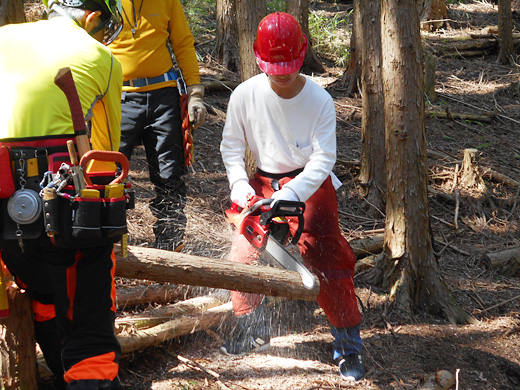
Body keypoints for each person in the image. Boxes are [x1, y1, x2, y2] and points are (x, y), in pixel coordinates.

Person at [219, 12, 365, 382]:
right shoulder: (244, 95)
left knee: (326, 252)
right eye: (274, 66)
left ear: (303, 55)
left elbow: (323, 159)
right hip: (261, 181)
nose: (281, 74)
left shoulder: (319, 100)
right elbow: (231, 148)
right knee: (242, 252)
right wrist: (242, 187)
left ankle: (347, 346)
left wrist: (292, 192)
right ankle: (252, 329)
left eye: (288, 66)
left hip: (309, 180)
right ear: (258, 59)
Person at [0, 0, 124, 388]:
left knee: (41, 292)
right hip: (66, 216)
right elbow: (104, 155)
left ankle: (57, 367)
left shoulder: (4, 37)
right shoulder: (101, 57)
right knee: (89, 329)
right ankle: (87, 375)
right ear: (91, 17)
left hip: (7, 218)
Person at [109, 0, 207, 251]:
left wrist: (195, 93)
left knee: (170, 174)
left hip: (163, 95)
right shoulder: (102, 4)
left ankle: (171, 243)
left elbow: (183, 43)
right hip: (116, 96)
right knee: (108, 174)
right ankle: (108, 244)